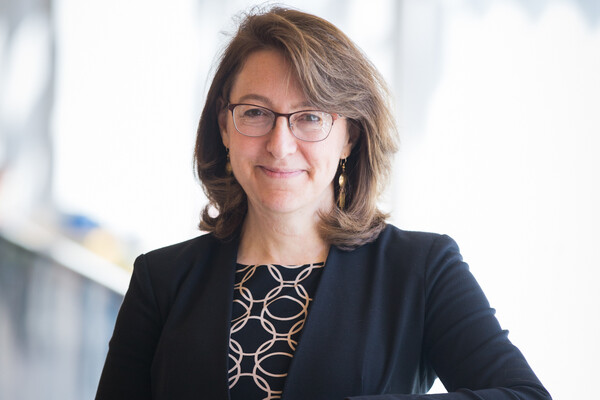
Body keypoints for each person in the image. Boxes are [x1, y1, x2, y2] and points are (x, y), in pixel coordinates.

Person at [96, 6, 551, 400]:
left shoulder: (421, 269)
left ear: (350, 135)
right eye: (255, 113)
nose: (280, 144)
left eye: (311, 117)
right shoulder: (161, 281)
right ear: (224, 126)